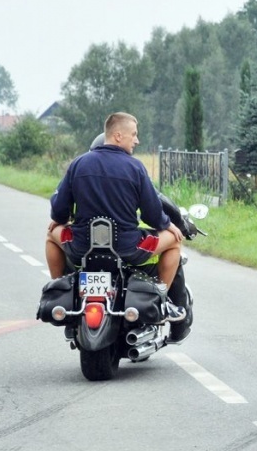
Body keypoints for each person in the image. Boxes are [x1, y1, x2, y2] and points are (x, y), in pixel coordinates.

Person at [45, 112, 186, 321]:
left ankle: (61, 287)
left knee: (51, 236)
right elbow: (152, 213)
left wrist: (59, 220)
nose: (137, 140)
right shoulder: (135, 167)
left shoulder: (78, 164)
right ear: (118, 136)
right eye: (134, 135)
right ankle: (163, 298)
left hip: (82, 245)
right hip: (127, 248)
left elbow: (59, 209)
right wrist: (168, 224)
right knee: (175, 241)